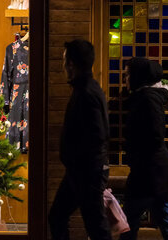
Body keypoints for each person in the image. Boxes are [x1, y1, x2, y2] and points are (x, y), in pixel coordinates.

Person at [48, 39, 112, 240]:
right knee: (59, 216)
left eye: (64, 59)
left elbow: (98, 136)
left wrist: (80, 162)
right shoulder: (87, 88)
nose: (62, 65)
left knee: (96, 226)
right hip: (80, 171)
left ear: (71, 64)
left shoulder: (86, 92)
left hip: (86, 172)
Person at [119, 57, 168, 240]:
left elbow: (154, 135)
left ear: (138, 76)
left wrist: (135, 153)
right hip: (156, 172)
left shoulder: (146, 99)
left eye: (128, 74)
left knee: (129, 223)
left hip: (149, 172)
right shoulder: (146, 97)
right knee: (164, 219)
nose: (125, 79)